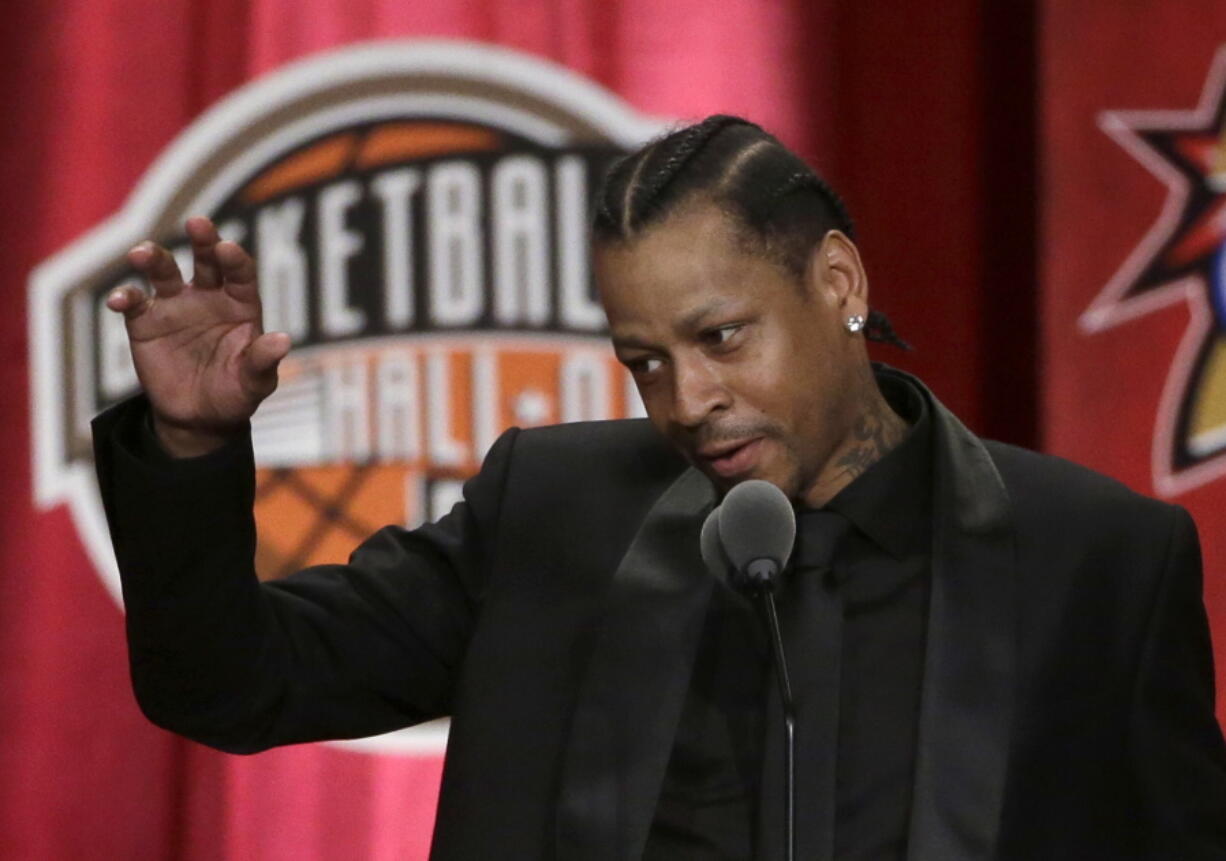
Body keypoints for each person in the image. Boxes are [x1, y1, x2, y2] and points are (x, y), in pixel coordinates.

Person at [93, 115, 1226, 860]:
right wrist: (189, 447)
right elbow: (229, 684)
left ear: (835, 282)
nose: (683, 400)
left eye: (721, 338)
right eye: (642, 361)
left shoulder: (1099, 564)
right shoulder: (550, 511)